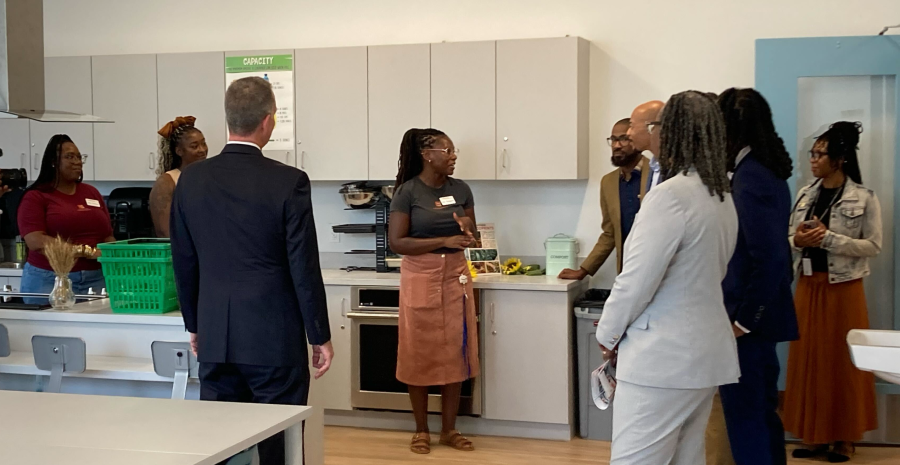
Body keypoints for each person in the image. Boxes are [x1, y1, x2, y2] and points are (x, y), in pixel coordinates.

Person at [170, 77, 333, 465]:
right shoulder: (288, 181)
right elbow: (303, 265)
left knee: (221, 446)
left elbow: (184, 260)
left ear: (227, 121)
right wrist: (319, 335)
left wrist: (194, 325)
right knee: (280, 445)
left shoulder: (190, 179)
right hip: (272, 339)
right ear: (268, 121)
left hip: (215, 337)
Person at [595, 91, 739, 465]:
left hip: (661, 360)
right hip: (704, 355)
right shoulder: (720, 193)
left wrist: (607, 333)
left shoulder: (670, 196)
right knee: (686, 458)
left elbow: (636, 281)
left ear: (668, 131)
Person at [712, 88, 799, 465]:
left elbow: (772, 258)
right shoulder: (759, 171)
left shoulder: (752, 179)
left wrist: (744, 321)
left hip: (747, 324)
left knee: (747, 421)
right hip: (754, 321)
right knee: (760, 416)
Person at [784, 121, 879, 463]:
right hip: (808, 286)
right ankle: (814, 436)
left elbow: (873, 246)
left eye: (819, 154)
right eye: (812, 153)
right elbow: (788, 238)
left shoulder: (864, 197)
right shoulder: (804, 194)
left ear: (839, 159)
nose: (812, 159)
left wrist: (829, 239)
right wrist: (798, 241)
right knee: (808, 360)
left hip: (844, 289)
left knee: (842, 362)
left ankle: (844, 438)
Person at [389, 128, 479, 455]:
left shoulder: (462, 189)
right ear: (428, 154)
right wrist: (442, 241)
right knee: (420, 353)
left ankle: (449, 429)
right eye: (448, 150)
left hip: (455, 277)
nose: (454, 156)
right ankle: (421, 430)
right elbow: (397, 242)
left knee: (456, 351)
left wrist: (469, 233)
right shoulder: (408, 192)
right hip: (421, 277)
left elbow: (472, 236)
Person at [17, 135, 115, 304]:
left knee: (97, 329)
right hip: (49, 279)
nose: (77, 161)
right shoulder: (36, 196)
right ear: (53, 162)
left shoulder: (91, 193)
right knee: (51, 330)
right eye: (69, 157)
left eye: (79, 157)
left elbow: (107, 236)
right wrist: (86, 252)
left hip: (97, 278)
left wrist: (113, 257)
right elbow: (35, 241)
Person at [559, 119, 650, 279]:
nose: (617, 145)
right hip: (627, 271)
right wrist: (583, 270)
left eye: (623, 139)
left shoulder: (657, 174)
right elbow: (610, 233)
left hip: (658, 266)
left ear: (637, 140)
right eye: (613, 140)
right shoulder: (608, 182)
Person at [149, 115, 208, 237]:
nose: (202, 150)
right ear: (179, 151)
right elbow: (165, 232)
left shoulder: (208, 177)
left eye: (203, 143)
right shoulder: (167, 182)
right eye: (194, 146)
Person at [627, 100, 666, 192]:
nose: (628, 133)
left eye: (632, 126)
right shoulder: (654, 166)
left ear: (651, 127)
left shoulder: (677, 170)